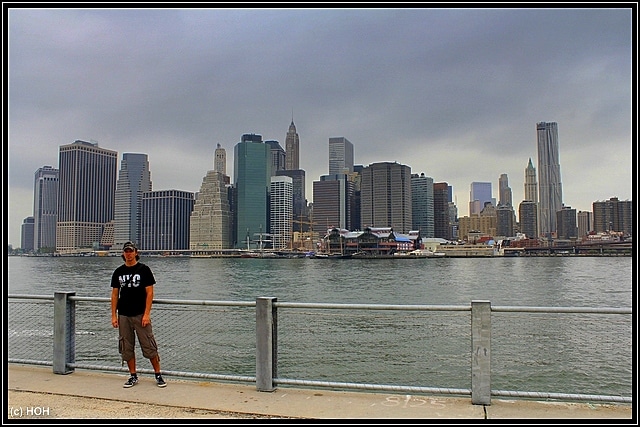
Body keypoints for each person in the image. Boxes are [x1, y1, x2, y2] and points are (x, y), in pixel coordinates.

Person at [111, 241, 166, 388]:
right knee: (126, 347)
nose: (128, 254)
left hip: (140, 314)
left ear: (136, 252)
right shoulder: (118, 272)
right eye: (126, 251)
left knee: (149, 345)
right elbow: (115, 295)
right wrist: (114, 316)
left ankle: (158, 374)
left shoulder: (144, 270)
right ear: (123, 254)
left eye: (131, 251)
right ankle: (133, 375)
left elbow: (150, 293)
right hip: (123, 315)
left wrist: (147, 314)